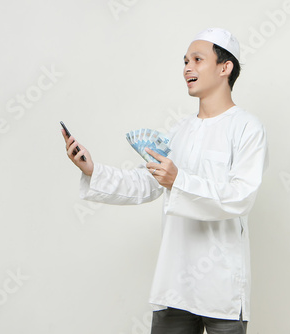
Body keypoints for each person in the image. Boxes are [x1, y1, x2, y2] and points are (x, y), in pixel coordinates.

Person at [62, 27, 268, 334]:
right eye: (185, 61)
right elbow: (147, 184)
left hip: (222, 288)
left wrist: (179, 180)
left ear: (225, 68)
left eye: (198, 59)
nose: (187, 68)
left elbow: (240, 197)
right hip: (175, 283)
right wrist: (94, 170)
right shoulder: (180, 130)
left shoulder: (247, 128)